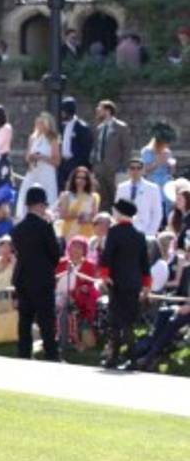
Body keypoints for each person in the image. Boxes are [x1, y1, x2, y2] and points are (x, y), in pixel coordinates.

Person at [98, 199, 152, 368]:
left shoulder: (114, 232)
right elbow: (145, 263)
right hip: (134, 283)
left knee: (115, 322)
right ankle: (132, 359)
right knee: (129, 322)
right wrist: (146, 285)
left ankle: (114, 357)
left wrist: (105, 275)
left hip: (118, 283)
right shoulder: (139, 235)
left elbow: (107, 257)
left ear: (119, 213)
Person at [10, 186, 61, 361]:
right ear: (40, 205)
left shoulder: (18, 228)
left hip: (23, 277)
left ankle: (23, 353)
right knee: (46, 319)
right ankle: (51, 353)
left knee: (25, 319)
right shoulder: (45, 227)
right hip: (42, 278)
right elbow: (55, 253)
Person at [54, 236, 100, 353]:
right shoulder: (61, 263)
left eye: (79, 247)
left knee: (64, 307)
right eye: (74, 246)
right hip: (57, 295)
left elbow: (91, 284)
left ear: (84, 250)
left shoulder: (89, 265)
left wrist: (82, 289)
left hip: (79, 298)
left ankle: (65, 342)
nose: (76, 250)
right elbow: (53, 280)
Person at [16, 112, 60, 220]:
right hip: (33, 171)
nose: (39, 125)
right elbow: (27, 157)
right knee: (25, 194)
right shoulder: (33, 138)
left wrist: (42, 157)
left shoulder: (52, 138)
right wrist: (31, 157)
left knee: (47, 196)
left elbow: (57, 161)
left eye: (42, 123)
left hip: (46, 172)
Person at [90, 99, 132, 209]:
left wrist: (123, 167)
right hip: (99, 169)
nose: (97, 110)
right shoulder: (99, 128)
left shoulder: (121, 127)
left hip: (114, 169)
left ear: (108, 111)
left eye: (100, 108)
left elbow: (127, 148)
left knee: (116, 196)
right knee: (101, 198)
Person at [119, 155, 163, 237]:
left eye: (138, 168)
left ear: (143, 170)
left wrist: (150, 233)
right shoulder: (121, 188)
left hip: (145, 232)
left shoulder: (152, 188)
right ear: (128, 170)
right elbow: (117, 211)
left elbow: (157, 213)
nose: (135, 171)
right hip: (125, 232)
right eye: (132, 168)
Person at [57, 97, 93, 193]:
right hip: (63, 164)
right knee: (61, 190)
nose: (62, 113)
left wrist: (80, 164)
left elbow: (86, 149)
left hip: (75, 164)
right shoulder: (61, 126)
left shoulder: (82, 127)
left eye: (63, 110)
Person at [139, 123, 178, 211]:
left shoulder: (167, 151)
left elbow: (172, 173)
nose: (166, 145)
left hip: (166, 183)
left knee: (168, 207)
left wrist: (172, 166)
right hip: (153, 183)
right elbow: (144, 170)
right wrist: (157, 162)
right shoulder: (146, 151)